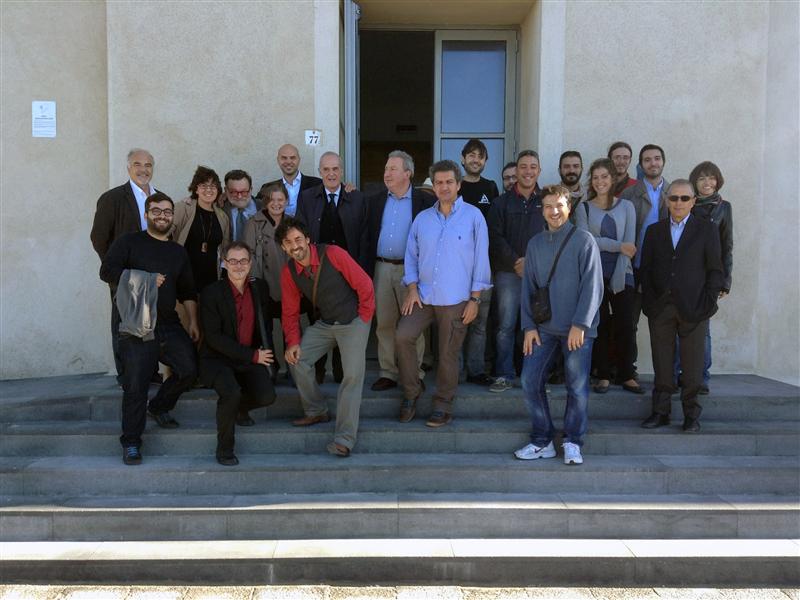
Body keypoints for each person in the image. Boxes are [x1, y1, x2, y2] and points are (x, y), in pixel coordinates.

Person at [100, 192, 199, 465]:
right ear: (146, 215)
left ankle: (159, 406)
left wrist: (193, 322)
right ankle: (131, 442)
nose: (163, 216)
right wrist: (144, 279)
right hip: (136, 324)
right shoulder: (129, 242)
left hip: (168, 323)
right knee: (136, 385)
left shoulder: (178, 252)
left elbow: (188, 289)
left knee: (189, 369)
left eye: (167, 211)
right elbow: (106, 271)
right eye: (156, 211)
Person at [396, 160, 492, 427]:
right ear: (433, 186)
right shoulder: (422, 219)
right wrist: (412, 288)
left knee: (448, 354)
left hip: (457, 299)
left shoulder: (473, 217)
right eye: (439, 182)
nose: (444, 187)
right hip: (423, 296)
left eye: (449, 182)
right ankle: (412, 392)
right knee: (403, 336)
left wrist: (475, 299)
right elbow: (411, 256)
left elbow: (481, 261)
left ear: (458, 184)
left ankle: (443, 404)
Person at [514, 185, 603, 465]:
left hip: (578, 331)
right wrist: (528, 327)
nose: (554, 211)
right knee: (529, 380)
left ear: (569, 208)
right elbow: (528, 288)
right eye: (549, 205)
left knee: (576, 387)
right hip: (544, 329)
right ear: (543, 210)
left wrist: (580, 324)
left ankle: (573, 441)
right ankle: (542, 440)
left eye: (560, 205)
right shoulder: (535, 244)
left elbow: (593, 286)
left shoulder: (584, 240)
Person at [277, 217, 374, 457]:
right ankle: (316, 410)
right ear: (283, 247)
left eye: (298, 239)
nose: (295, 245)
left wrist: (363, 319)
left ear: (308, 239)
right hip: (325, 323)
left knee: (351, 377)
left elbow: (365, 285)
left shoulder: (333, 253)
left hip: (353, 320)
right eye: (288, 242)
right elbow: (289, 313)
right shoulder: (289, 272)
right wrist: (293, 343)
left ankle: (344, 438)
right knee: (297, 360)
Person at [639, 180, 724, 432]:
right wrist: (650, 302)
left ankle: (691, 416)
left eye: (684, 198)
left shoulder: (706, 229)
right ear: (667, 200)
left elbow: (715, 270)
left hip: (694, 308)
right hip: (661, 309)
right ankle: (660, 412)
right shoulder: (654, 231)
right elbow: (646, 269)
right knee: (662, 364)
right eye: (674, 198)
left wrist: (708, 303)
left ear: (693, 201)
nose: (678, 203)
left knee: (692, 366)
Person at [199, 242, 276, 466]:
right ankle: (224, 449)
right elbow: (214, 338)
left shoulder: (259, 287)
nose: (238, 266)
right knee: (230, 393)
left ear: (250, 263)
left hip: (248, 357)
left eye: (243, 260)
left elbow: (268, 321)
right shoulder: (211, 292)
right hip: (216, 359)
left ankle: (242, 408)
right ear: (224, 263)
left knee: (267, 396)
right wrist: (254, 356)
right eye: (233, 261)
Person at [296, 151, 369, 383]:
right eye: (326, 169)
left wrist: (361, 271)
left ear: (341, 171)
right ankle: (316, 373)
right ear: (319, 172)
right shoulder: (307, 197)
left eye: (335, 169)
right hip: (316, 273)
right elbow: (300, 232)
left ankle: (341, 373)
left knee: (344, 320)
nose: (331, 173)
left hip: (347, 274)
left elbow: (364, 236)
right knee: (316, 321)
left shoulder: (356, 198)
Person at [367, 150, 434, 391]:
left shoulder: (425, 202)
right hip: (382, 268)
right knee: (384, 323)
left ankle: (414, 373)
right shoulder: (374, 200)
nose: (387, 173)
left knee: (412, 324)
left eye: (393, 169)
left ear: (408, 173)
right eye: (386, 169)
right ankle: (388, 372)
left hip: (412, 272)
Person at [575, 159, 642, 394]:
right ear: (591, 181)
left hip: (623, 274)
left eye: (604, 176)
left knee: (627, 325)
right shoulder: (583, 208)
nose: (600, 181)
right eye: (595, 177)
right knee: (599, 326)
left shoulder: (627, 207)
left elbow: (630, 246)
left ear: (613, 179)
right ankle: (602, 374)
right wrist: (617, 245)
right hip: (594, 276)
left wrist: (617, 277)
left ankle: (627, 374)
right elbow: (586, 241)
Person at [91, 148, 157, 382]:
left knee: (151, 322)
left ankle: (149, 371)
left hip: (153, 273)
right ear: (128, 168)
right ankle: (126, 374)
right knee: (124, 325)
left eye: (148, 165)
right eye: (137, 164)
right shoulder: (113, 198)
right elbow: (98, 237)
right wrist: (115, 269)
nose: (143, 169)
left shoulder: (159, 198)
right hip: (125, 273)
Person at [487, 150, 545, 393]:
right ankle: (504, 374)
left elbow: (554, 236)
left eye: (533, 167)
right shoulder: (501, 203)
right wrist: (515, 262)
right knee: (506, 325)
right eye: (523, 166)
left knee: (538, 326)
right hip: (508, 273)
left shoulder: (548, 200)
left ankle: (533, 376)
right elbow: (495, 237)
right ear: (517, 170)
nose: (528, 171)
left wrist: (531, 263)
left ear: (538, 171)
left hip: (540, 274)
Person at [673, 162, 733, 394]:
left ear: (717, 180)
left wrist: (725, 280)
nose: (707, 183)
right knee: (680, 327)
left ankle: (701, 377)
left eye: (711, 178)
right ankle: (680, 373)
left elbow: (727, 245)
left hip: (710, 276)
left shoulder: (724, 208)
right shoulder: (687, 204)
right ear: (694, 183)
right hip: (686, 275)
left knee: (703, 329)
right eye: (701, 179)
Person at [620, 144, 669, 369]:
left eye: (657, 159)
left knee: (663, 324)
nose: (653, 163)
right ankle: (628, 370)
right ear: (641, 165)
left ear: (663, 162)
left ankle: (667, 372)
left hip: (664, 270)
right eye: (648, 160)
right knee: (629, 322)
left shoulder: (674, 193)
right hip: (635, 266)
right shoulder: (630, 194)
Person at [457, 138, 498, 386]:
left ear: (485, 161)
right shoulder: (455, 186)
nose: (475, 159)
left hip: (484, 266)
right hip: (457, 266)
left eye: (480, 156)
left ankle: (475, 370)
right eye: (471, 155)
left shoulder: (491, 187)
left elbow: (494, 226)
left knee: (480, 323)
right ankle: (456, 370)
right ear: (463, 159)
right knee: (456, 320)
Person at [171, 166, 231, 294]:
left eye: (213, 186)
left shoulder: (223, 217)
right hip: (184, 278)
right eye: (204, 185)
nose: (209, 190)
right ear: (196, 189)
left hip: (212, 280)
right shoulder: (183, 208)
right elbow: (165, 235)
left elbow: (225, 250)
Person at [258, 144, 322, 217]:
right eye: (284, 158)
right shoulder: (267, 188)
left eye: (292, 158)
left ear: (299, 159)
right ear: (278, 160)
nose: (288, 162)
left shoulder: (317, 184)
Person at [222, 170, 261, 243]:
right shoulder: (220, 209)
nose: (239, 196)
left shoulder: (264, 207)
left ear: (251, 189)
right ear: (226, 190)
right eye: (233, 192)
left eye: (244, 192)